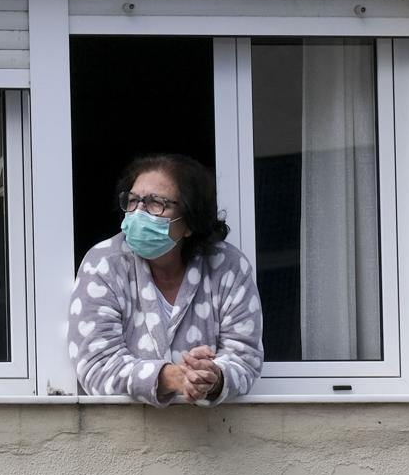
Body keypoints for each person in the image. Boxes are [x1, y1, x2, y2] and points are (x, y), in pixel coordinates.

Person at [68, 153, 263, 406]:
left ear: (189, 222)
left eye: (155, 203)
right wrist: (172, 377)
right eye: (133, 200)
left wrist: (213, 378)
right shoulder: (104, 263)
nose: (138, 212)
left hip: (210, 435)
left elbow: (245, 357)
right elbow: (96, 364)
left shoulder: (227, 267)